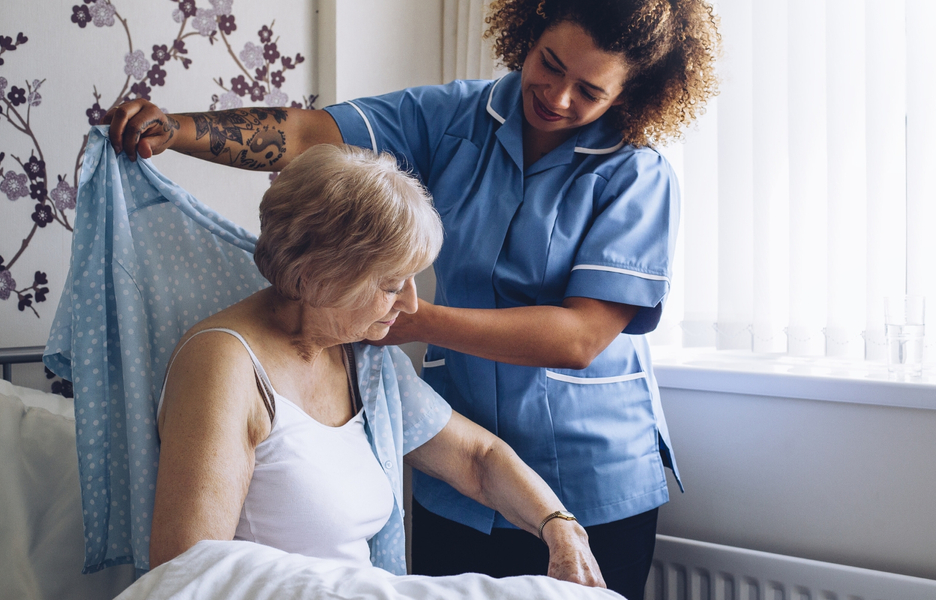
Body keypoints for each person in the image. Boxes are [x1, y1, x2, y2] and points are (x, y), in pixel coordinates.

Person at [106, 1, 720, 598]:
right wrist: (177, 130)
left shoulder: (636, 174)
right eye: (550, 64)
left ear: (630, 94)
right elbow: (308, 134)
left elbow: (580, 337)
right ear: (528, 31)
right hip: (458, 479)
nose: (558, 97)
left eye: (589, 91)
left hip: (590, 477)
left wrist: (405, 315)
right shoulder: (452, 117)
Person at [151, 143, 603, 589]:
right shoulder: (224, 366)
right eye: (391, 285)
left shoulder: (361, 357)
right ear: (315, 274)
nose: (410, 303)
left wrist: (561, 527)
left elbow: (477, 458)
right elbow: (187, 575)